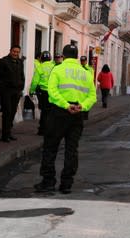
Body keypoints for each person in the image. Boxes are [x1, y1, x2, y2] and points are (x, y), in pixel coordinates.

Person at [34, 44, 96, 194]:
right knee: (71, 150)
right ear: (76, 57)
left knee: (50, 147)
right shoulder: (86, 73)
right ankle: (66, 184)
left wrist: (65, 105)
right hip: (77, 115)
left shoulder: (58, 69)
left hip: (59, 113)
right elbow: (93, 96)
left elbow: (52, 91)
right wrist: (81, 106)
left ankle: (48, 182)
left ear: (64, 55)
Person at [0, 45, 25, 142]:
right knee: (7, 112)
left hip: (16, 91)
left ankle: (9, 132)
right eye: (14, 51)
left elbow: (22, 75)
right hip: (6, 91)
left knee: (13, 112)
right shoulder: (3, 61)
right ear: (10, 51)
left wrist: (21, 88)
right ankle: (4, 135)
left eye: (17, 52)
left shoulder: (20, 62)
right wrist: (1, 88)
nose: (16, 54)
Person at [29, 51, 54, 135]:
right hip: (53, 92)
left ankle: (42, 129)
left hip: (43, 92)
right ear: (50, 58)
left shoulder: (40, 67)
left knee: (44, 111)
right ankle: (50, 129)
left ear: (41, 58)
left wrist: (31, 91)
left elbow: (35, 81)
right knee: (51, 111)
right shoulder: (54, 67)